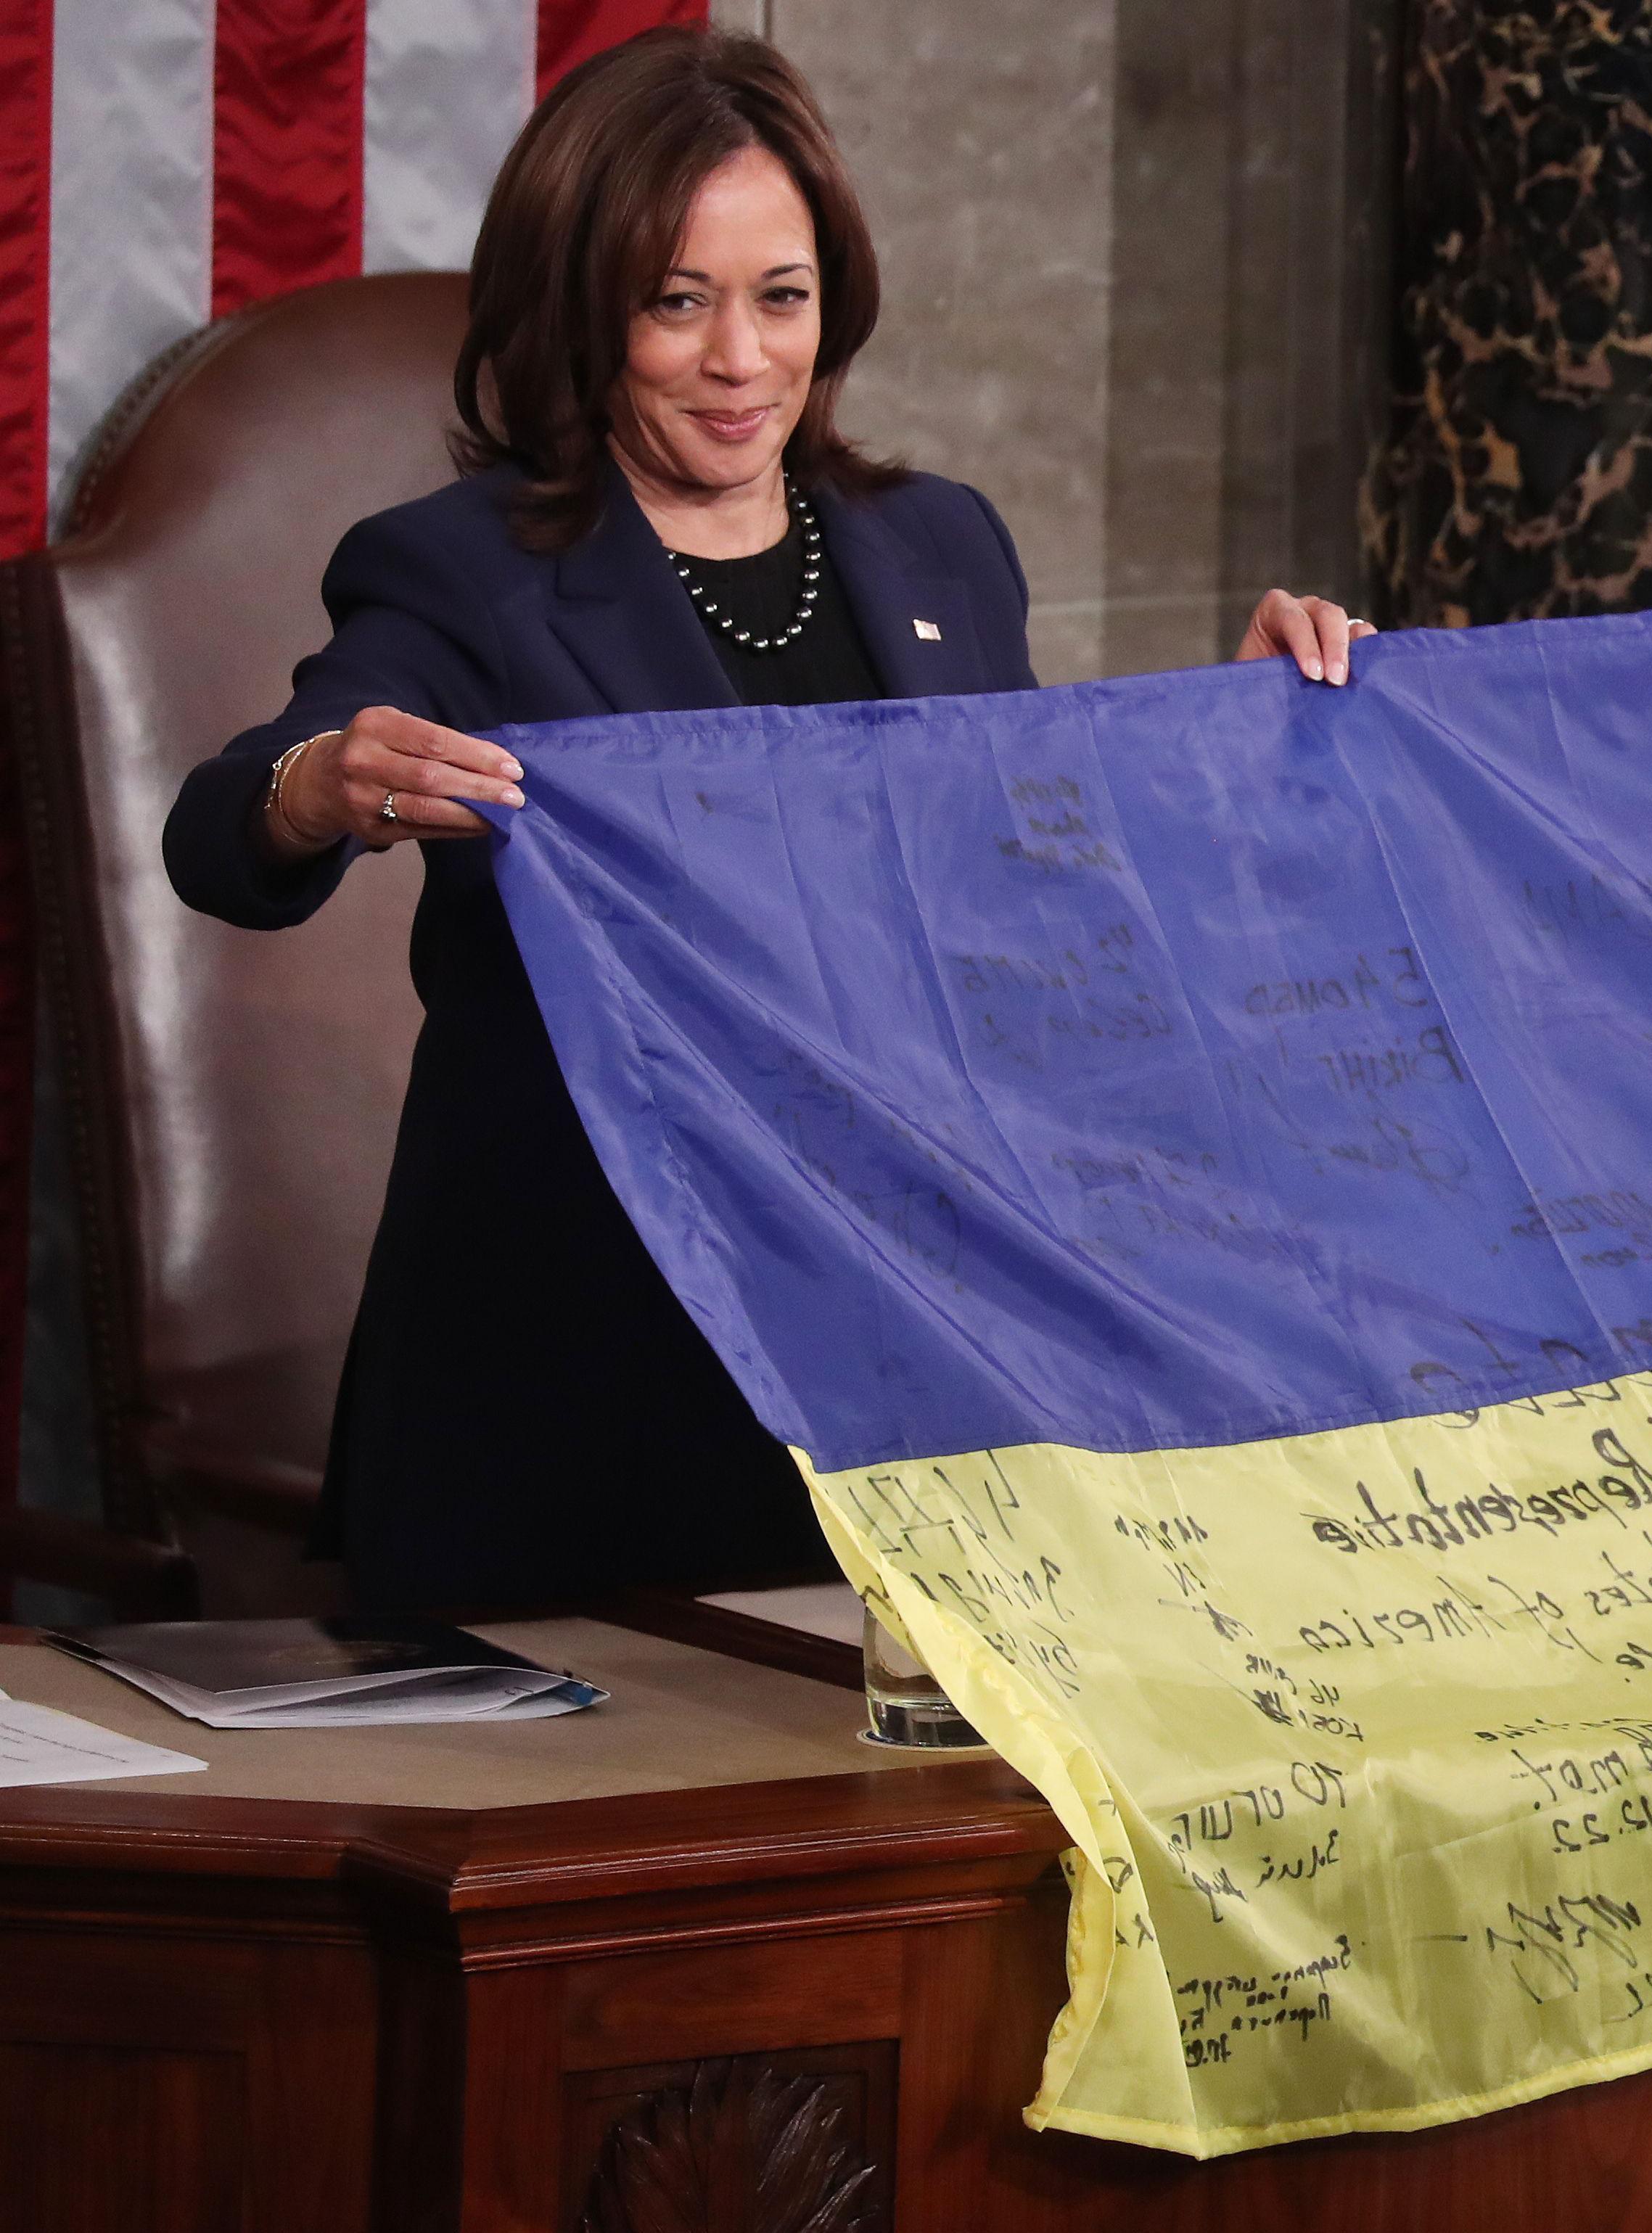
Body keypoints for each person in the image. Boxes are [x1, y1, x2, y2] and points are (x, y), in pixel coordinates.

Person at [161, 29, 1370, 1610]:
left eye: (780, 297)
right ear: (581, 306)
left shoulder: (941, 547)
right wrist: (313, 789)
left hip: (903, 1365)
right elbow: (219, 835)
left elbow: (1033, 904)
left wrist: (1221, 733)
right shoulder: (460, 572)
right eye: (678, 301)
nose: (741, 358)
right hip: (582, 1386)